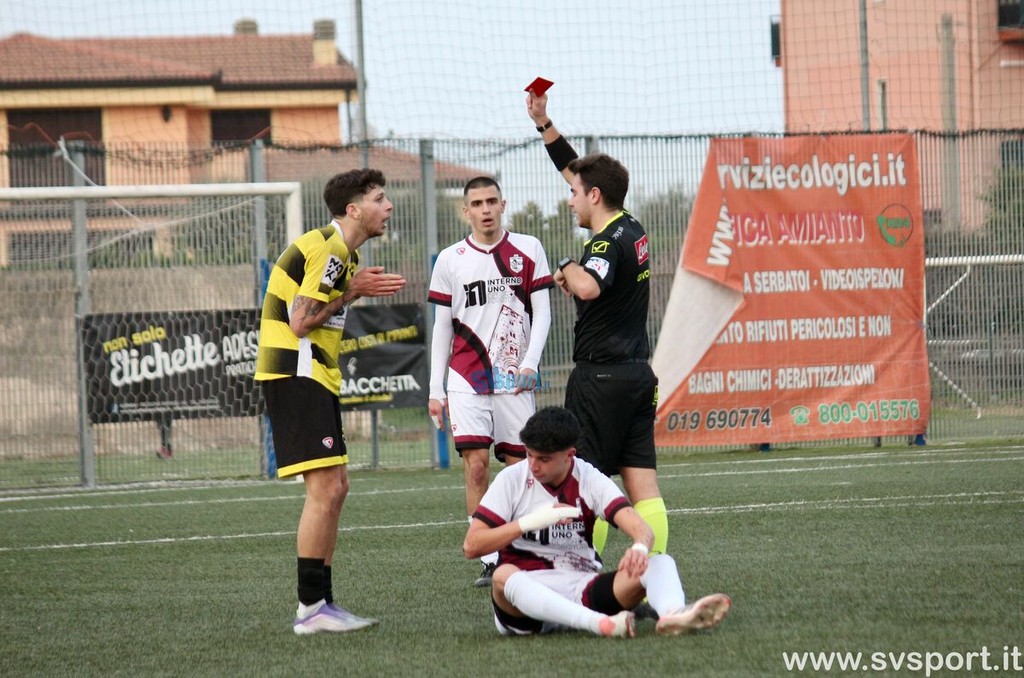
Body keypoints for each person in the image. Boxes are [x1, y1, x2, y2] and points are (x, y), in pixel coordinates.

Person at [254, 168, 407, 635]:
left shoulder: (345, 254)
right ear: (354, 210)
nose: (388, 207)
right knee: (324, 491)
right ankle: (310, 609)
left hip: (314, 374)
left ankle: (322, 602)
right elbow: (300, 323)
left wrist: (349, 291)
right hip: (296, 372)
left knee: (337, 487)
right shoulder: (330, 248)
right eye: (379, 199)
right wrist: (351, 293)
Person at [525, 90, 668, 561]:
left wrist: (567, 266)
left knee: (586, 482)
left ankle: (581, 576)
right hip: (637, 376)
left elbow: (588, 287)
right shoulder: (633, 226)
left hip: (600, 379)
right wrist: (545, 124)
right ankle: (653, 579)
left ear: (595, 196)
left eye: (575, 193)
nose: (569, 200)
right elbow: (576, 171)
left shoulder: (604, 243)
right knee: (643, 486)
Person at [463, 406, 731, 638]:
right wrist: (528, 523)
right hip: (525, 604)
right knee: (502, 575)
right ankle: (599, 624)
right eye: (529, 454)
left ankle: (674, 614)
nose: (533, 465)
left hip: (582, 588)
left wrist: (639, 547)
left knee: (660, 561)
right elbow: (472, 546)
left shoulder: (589, 478)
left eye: (544, 459)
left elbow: (640, 528)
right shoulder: (511, 479)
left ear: (569, 455)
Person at [428, 176, 553, 587]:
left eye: (491, 201)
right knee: (477, 466)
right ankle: (490, 557)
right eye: (477, 203)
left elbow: (543, 312)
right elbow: (442, 327)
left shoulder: (529, 249)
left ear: (503, 204)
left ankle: (523, 552)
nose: (485, 209)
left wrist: (530, 363)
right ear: (466, 211)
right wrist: (435, 390)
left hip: (514, 380)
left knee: (522, 467)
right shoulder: (450, 259)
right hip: (466, 378)